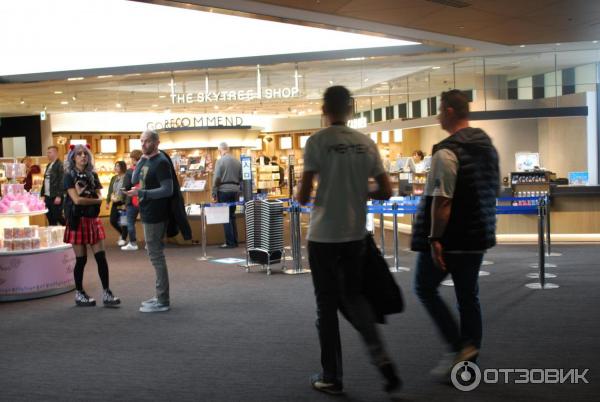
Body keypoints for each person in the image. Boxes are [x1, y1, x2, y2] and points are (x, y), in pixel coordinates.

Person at [296, 86, 402, 399]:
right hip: (356, 235)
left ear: (324, 108)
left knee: (326, 308)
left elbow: (302, 195)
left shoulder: (317, 142)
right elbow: (385, 192)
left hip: (324, 236)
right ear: (350, 109)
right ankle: (381, 358)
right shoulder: (366, 143)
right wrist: (357, 192)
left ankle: (332, 376)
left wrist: (322, 194)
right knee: (355, 299)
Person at [411, 89, 499, 378]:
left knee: (424, 288)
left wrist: (435, 239)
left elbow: (443, 200)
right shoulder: (488, 148)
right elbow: (491, 191)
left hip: (451, 239)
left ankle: (458, 346)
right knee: (468, 297)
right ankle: (468, 360)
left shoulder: (447, 150)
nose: (437, 116)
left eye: (439, 110)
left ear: (449, 111)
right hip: (478, 236)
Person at [63, 144, 120, 307]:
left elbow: (99, 195)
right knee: (81, 260)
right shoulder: (68, 176)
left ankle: (107, 293)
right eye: (79, 154)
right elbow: (77, 200)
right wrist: (95, 200)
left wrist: (93, 198)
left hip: (92, 219)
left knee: (101, 258)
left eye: (85, 154)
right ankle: (79, 293)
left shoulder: (93, 175)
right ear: (73, 157)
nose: (83, 156)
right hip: (77, 220)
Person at [125, 130, 174, 313]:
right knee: (154, 255)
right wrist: (142, 160)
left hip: (156, 214)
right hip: (147, 212)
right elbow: (135, 179)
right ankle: (160, 296)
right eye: (141, 141)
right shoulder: (147, 160)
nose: (143, 145)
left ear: (156, 143)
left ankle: (163, 299)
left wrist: (141, 193)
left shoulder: (161, 162)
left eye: (146, 141)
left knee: (156, 256)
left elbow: (167, 190)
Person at [212, 142, 242, 248]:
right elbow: (241, 177)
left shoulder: (220, 161)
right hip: (235, 190)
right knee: (232, 216)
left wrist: (214, 192)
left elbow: (217, 178)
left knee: (226, 217)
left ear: (220, 150)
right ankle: (235, 241)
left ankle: (230, 242)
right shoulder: (237, 162)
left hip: (223, 191)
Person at [120, 149, 142, 251]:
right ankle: (149, 243)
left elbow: (126, 186)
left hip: (131, 200)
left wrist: (123, 198)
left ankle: (133, 243)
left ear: (133, 159)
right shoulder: (145, 169)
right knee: (147, 222)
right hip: (144, 198)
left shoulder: (130, 171)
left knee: (130, 222)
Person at [40, 145, 65, 225]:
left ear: (55, 153)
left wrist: (59, 195)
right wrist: (42, 194)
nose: (48, 154)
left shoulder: (60, 165)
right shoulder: (49, 165)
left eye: (49, 152)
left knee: (57, 216)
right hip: (48, 196)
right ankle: (53, 234)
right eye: (47, 153)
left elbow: (62, 181)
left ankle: (69, 229)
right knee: (50, 217)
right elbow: (45, 181)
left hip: (55, 196)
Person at [105, 160, 128, 246]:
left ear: (122, 167)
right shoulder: (114, 178)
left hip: (123, 202)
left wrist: (126, 202)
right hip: (115, 202)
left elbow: (128, 189)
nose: (116, 168)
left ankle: (123, 238)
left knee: (123, 221)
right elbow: (110, 190)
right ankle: (123, 234)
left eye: (118, 166)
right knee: (113, 220)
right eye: (115, 166)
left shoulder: (126, 177)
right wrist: (107, 201)